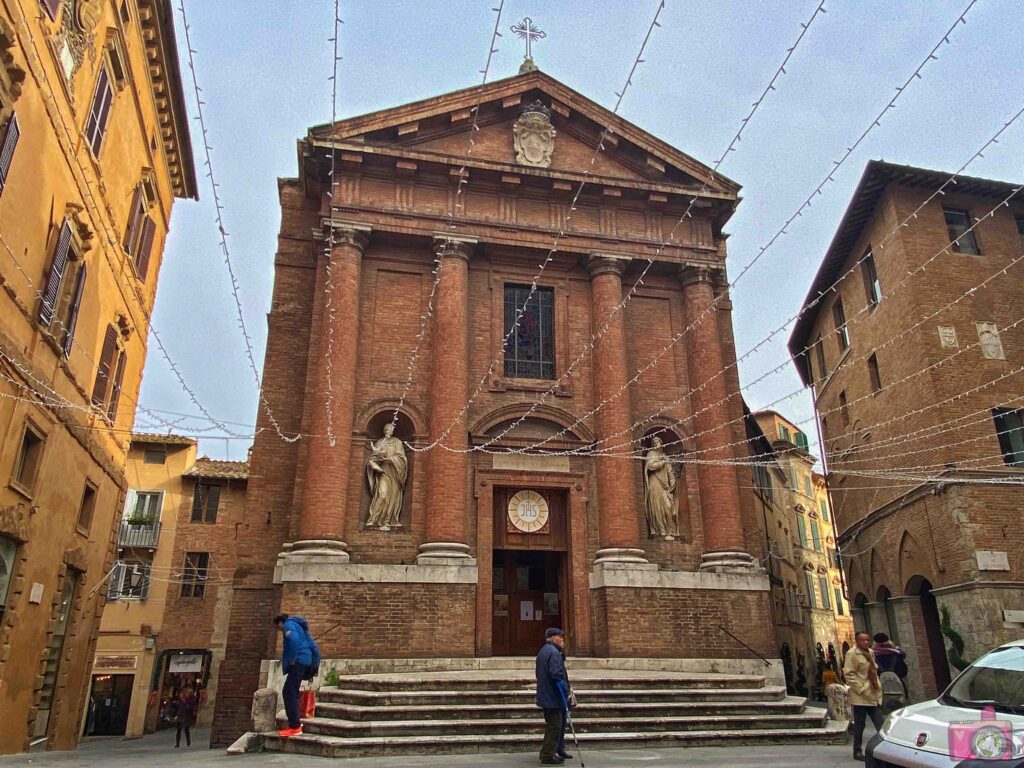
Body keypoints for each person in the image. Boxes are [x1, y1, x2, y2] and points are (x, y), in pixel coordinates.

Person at [274, 613, 321, 738]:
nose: (280, 630)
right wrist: (315, 664)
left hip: (298, 662)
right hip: (306, 661)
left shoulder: (289, 625)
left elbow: (293, 640)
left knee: (289, 692)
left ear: (280, 623)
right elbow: (314, 647)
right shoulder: (301, 628)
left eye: (278, 628)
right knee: (291, 691)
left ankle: (294, 726)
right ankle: (295, 724)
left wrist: (292, 659)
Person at [844, 631, 884, 761]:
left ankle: (885, 749)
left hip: (872, 693)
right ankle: (857, 751)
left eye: (867, 640)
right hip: (860, 696)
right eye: (862, 640)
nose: (865, 642)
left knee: (880, 724)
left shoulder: (870, 652)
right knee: (860, 725)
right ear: (857, 641)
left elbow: (873, 669)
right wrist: (861, 689)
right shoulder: (852, 654)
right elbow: (849, 674)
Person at [536, 627, 572, 765]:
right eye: (559, 637)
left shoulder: (544, 651)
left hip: (547, 696)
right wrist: (565, 693)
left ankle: (556, 749)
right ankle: (548, 755)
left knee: (557, 724)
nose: (562, 640)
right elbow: (557, 675)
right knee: (555, 726)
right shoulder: (553, 652)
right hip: (553, 697)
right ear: (551, 638)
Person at [872, 632, 909, 714]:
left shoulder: (872, 656)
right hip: (899, 689)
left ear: (875, 643)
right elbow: (904, 672)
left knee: (885, 715)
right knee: (900, 713)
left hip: (880, 692)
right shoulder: (897, 654)